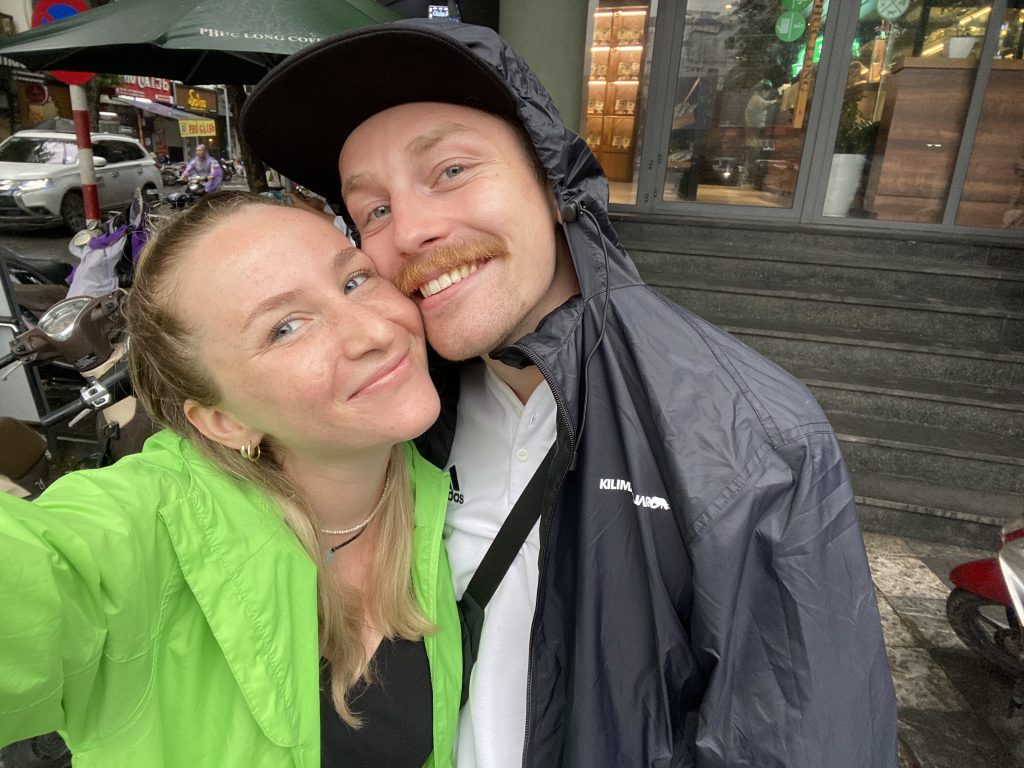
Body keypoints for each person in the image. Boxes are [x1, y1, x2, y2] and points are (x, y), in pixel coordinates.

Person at [240, 19, 898, 768]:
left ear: (556, 184)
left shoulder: (750, 440)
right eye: (374, 211)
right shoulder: (394, 417)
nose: (412, 231)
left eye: (450, 170)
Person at [0, 192, 461, 766]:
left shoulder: (446, 477)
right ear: (224, 421)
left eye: (354, 281)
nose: (375, 332)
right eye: (286, 328)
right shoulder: (146, 531)